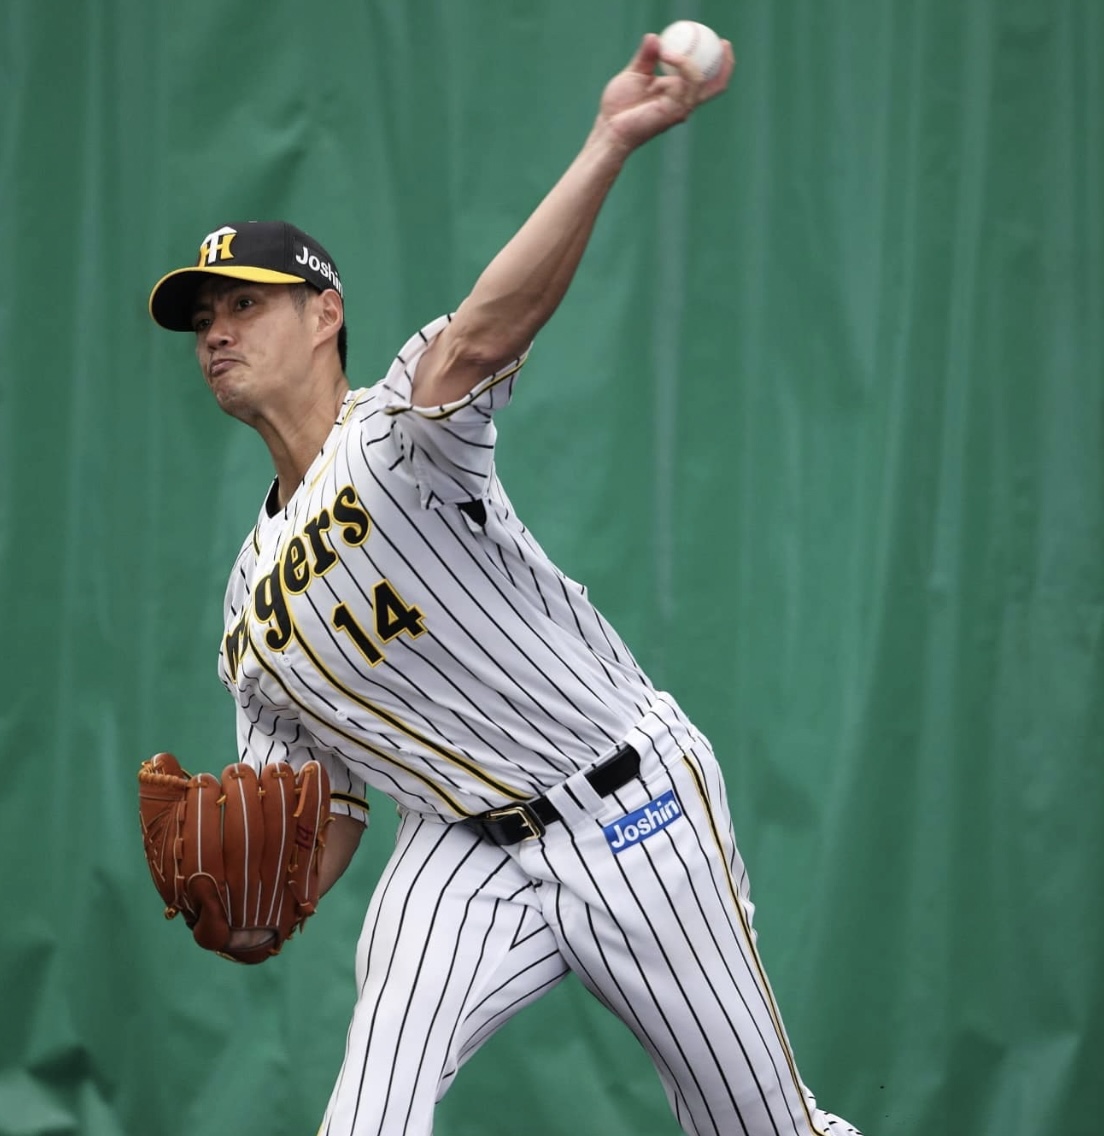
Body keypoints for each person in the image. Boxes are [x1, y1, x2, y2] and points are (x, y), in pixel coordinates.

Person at [147, 31, 862, 1136]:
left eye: (244, 304)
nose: (216, 333)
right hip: (456, 849)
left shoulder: (395, 436)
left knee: (761, 1126)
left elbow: (483, 335)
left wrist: (610, 139)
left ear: (325, 314)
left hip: (628, 806)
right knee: (367, 1113)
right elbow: (322, 812)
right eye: (204, 319)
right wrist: (261, 909)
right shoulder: (249, 611)